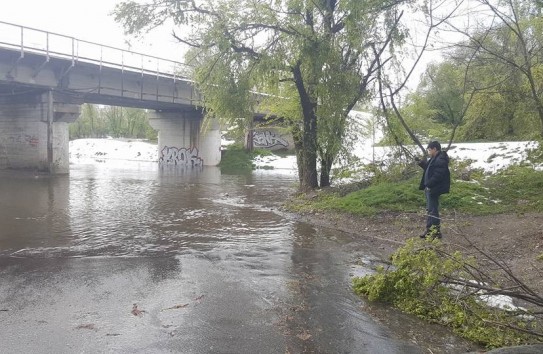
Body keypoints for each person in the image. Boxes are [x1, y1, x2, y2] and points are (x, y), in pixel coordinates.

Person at [416, 141, 450, 239]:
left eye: (429, 150)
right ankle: (429, 230)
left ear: (434, 149)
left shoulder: (440, 159)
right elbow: (429, 168)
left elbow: (438, 175)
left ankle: (435, 232)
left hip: (434, 189)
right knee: (430, 210)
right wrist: (421, 163)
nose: (428, 152)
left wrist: (429, 184)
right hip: (430, 188)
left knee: (433, 210)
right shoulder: (434, 158)